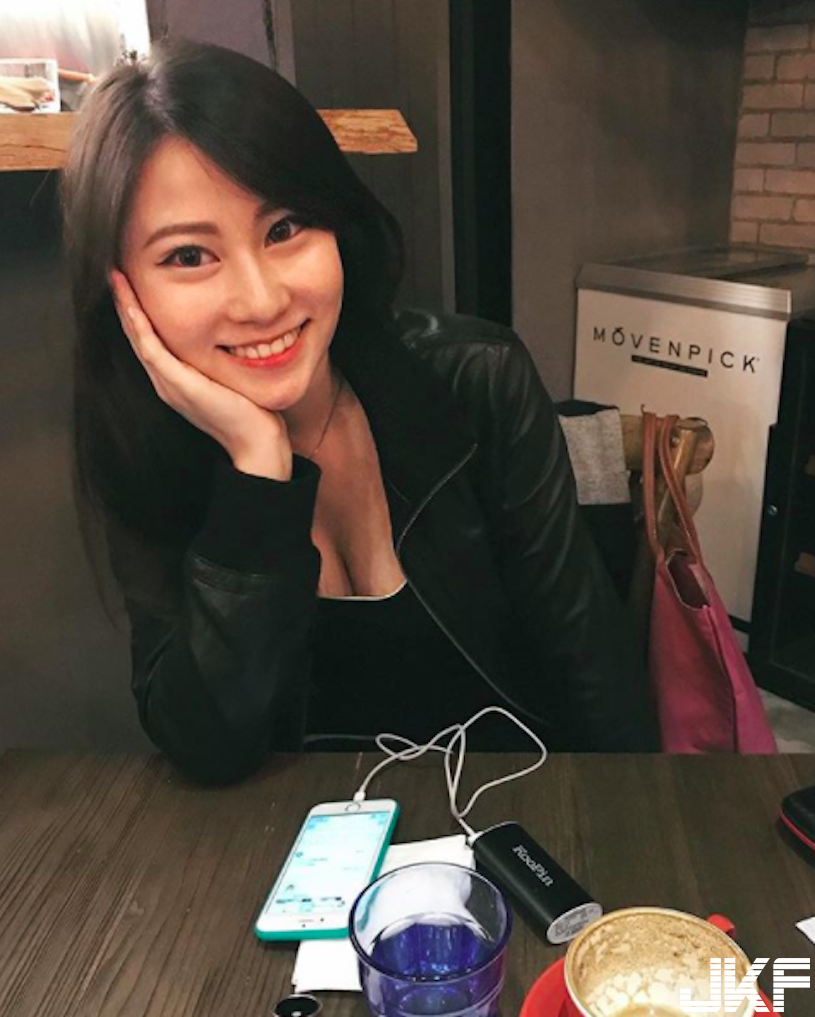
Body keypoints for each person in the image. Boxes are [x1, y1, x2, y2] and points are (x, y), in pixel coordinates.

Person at [61, 38, 657, 785]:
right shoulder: (140, 445)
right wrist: (258, 473)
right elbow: (206, 745)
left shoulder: (476, 380)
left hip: (518, 811)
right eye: (188, 256)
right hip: (303, 840)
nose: (261, 300)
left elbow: (597, 685)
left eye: (284, 229)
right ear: (122, 289)